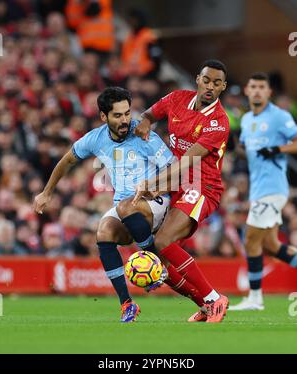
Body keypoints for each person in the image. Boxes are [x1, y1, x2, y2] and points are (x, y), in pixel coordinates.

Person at [33, 87, 173, 322]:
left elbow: (175, 170)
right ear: (103, 117)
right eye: (118, 115)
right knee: (103, 231)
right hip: (126, 206)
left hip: (155, 201)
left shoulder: (144, 135)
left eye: (127, 113)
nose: (125, 120)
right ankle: (127, 304)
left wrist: (156, 186)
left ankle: (155, 260)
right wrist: (46, 193)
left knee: (125, 207)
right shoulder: (95, 139)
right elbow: (67, 160)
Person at [132, 59, 230, 322]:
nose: (210, 86)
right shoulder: (176, 98)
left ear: (223, 87)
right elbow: (150, 114)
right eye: (206, 80)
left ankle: (214, 298)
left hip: (202, 187)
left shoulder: (219, 122)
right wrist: (144, 121)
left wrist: (153, 184)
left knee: (163, 242)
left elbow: (188, 160)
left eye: (217, 83)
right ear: (198, 79)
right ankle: (205, 304)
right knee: (157, 258)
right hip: (176, 185)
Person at [229, 72, 297, 311]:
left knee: (250, 239)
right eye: (253, 86)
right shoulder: (247, 120)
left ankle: (255, 298)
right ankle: (255, 297)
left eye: (262, 87)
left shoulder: (280, 117)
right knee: (270, 245)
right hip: (258, 190)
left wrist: (278, 148)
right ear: (247, 91)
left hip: (273, 188)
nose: (257, 91)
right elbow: (246, 151)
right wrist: (231, 146)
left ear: (269, 92)